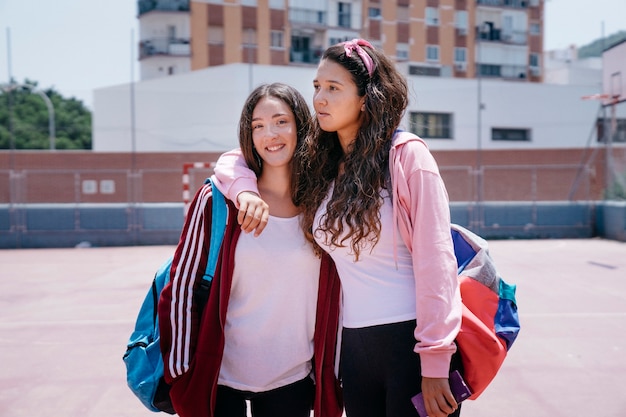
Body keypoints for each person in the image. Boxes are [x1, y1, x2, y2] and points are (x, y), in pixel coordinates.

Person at [213, 39, 463, 417]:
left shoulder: (407, 156)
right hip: (353, 350)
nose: (319, 99)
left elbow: (437, 262)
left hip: (411, 344)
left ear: (365, 98)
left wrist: (435, 361)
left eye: (333, 88)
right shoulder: (323, 162)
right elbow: (240, 155)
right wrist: (244, 190)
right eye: (316, 87)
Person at [158, 83, 342, 417]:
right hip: (220, 380)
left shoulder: (323, 205)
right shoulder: (219, 201)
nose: (270, 134)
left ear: (301, 125)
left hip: (294, 380)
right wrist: (181, 371)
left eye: (281, 121)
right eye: (258, 126)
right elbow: (181, 286)